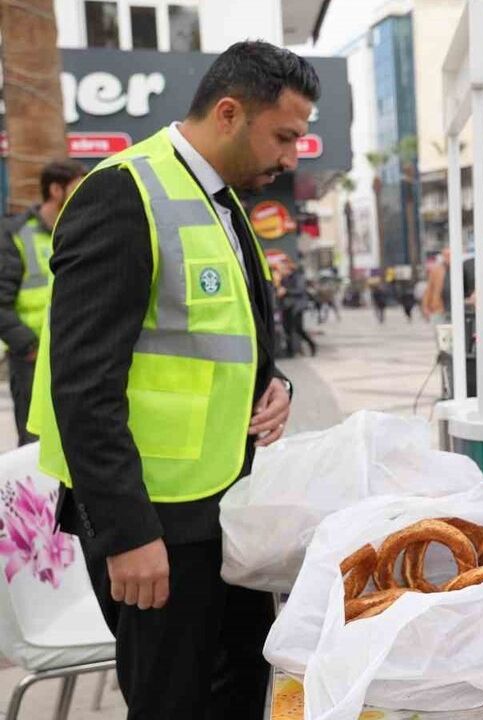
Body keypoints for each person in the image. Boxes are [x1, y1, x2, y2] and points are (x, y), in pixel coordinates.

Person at [27, 41, 312, 718]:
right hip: (151, 525)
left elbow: (223, 337)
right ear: (227, 113)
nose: (291, 157)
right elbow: (82, 384)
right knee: (172, 703)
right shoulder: (123, 193)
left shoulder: (221, 202)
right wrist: (126, 533)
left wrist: (274, 389)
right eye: (284, 136)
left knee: (239, 688)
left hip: (220, 509)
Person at [0, 159, 84, 445]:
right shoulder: (15, 233)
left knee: (73, 442)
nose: (84, 193)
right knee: (33, 443)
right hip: (32, 358)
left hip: (74, 353)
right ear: (56, 190)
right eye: (77, 187)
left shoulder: (81, 230)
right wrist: (29, 346)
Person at [279, 256, 316, 357]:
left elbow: (300, 290)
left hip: (297, 306)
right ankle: (290, 351)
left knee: (298, 328)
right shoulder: (284, 278)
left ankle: (312, 345)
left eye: (283, 267)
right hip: (287, 306)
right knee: (287, 328)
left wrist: (286, 291)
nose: (281, 269)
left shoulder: (298, 276)